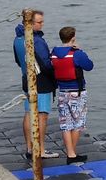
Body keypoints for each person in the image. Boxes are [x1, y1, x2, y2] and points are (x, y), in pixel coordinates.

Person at [12, 9, 57, 159]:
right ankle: (41, 150)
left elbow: (18, 61)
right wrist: (56, 75)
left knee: (28, 113)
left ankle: (30, 149)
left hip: (26, 78)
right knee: (42, 115)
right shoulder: (35, 40)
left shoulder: (18, 39)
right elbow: (46, 64)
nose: (42, 25)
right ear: (30, 23)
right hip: (41, 81)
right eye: (39, 22)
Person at [50, 25, 95, 163]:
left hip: (62, 92)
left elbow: (50, 66)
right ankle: (72, 153)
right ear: (73, 38)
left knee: (66, 124)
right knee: (77, 123)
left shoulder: (54, 53)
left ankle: (70, 153)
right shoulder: (77, 54)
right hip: (77, 92)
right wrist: (79, 49)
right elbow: (89, 66)